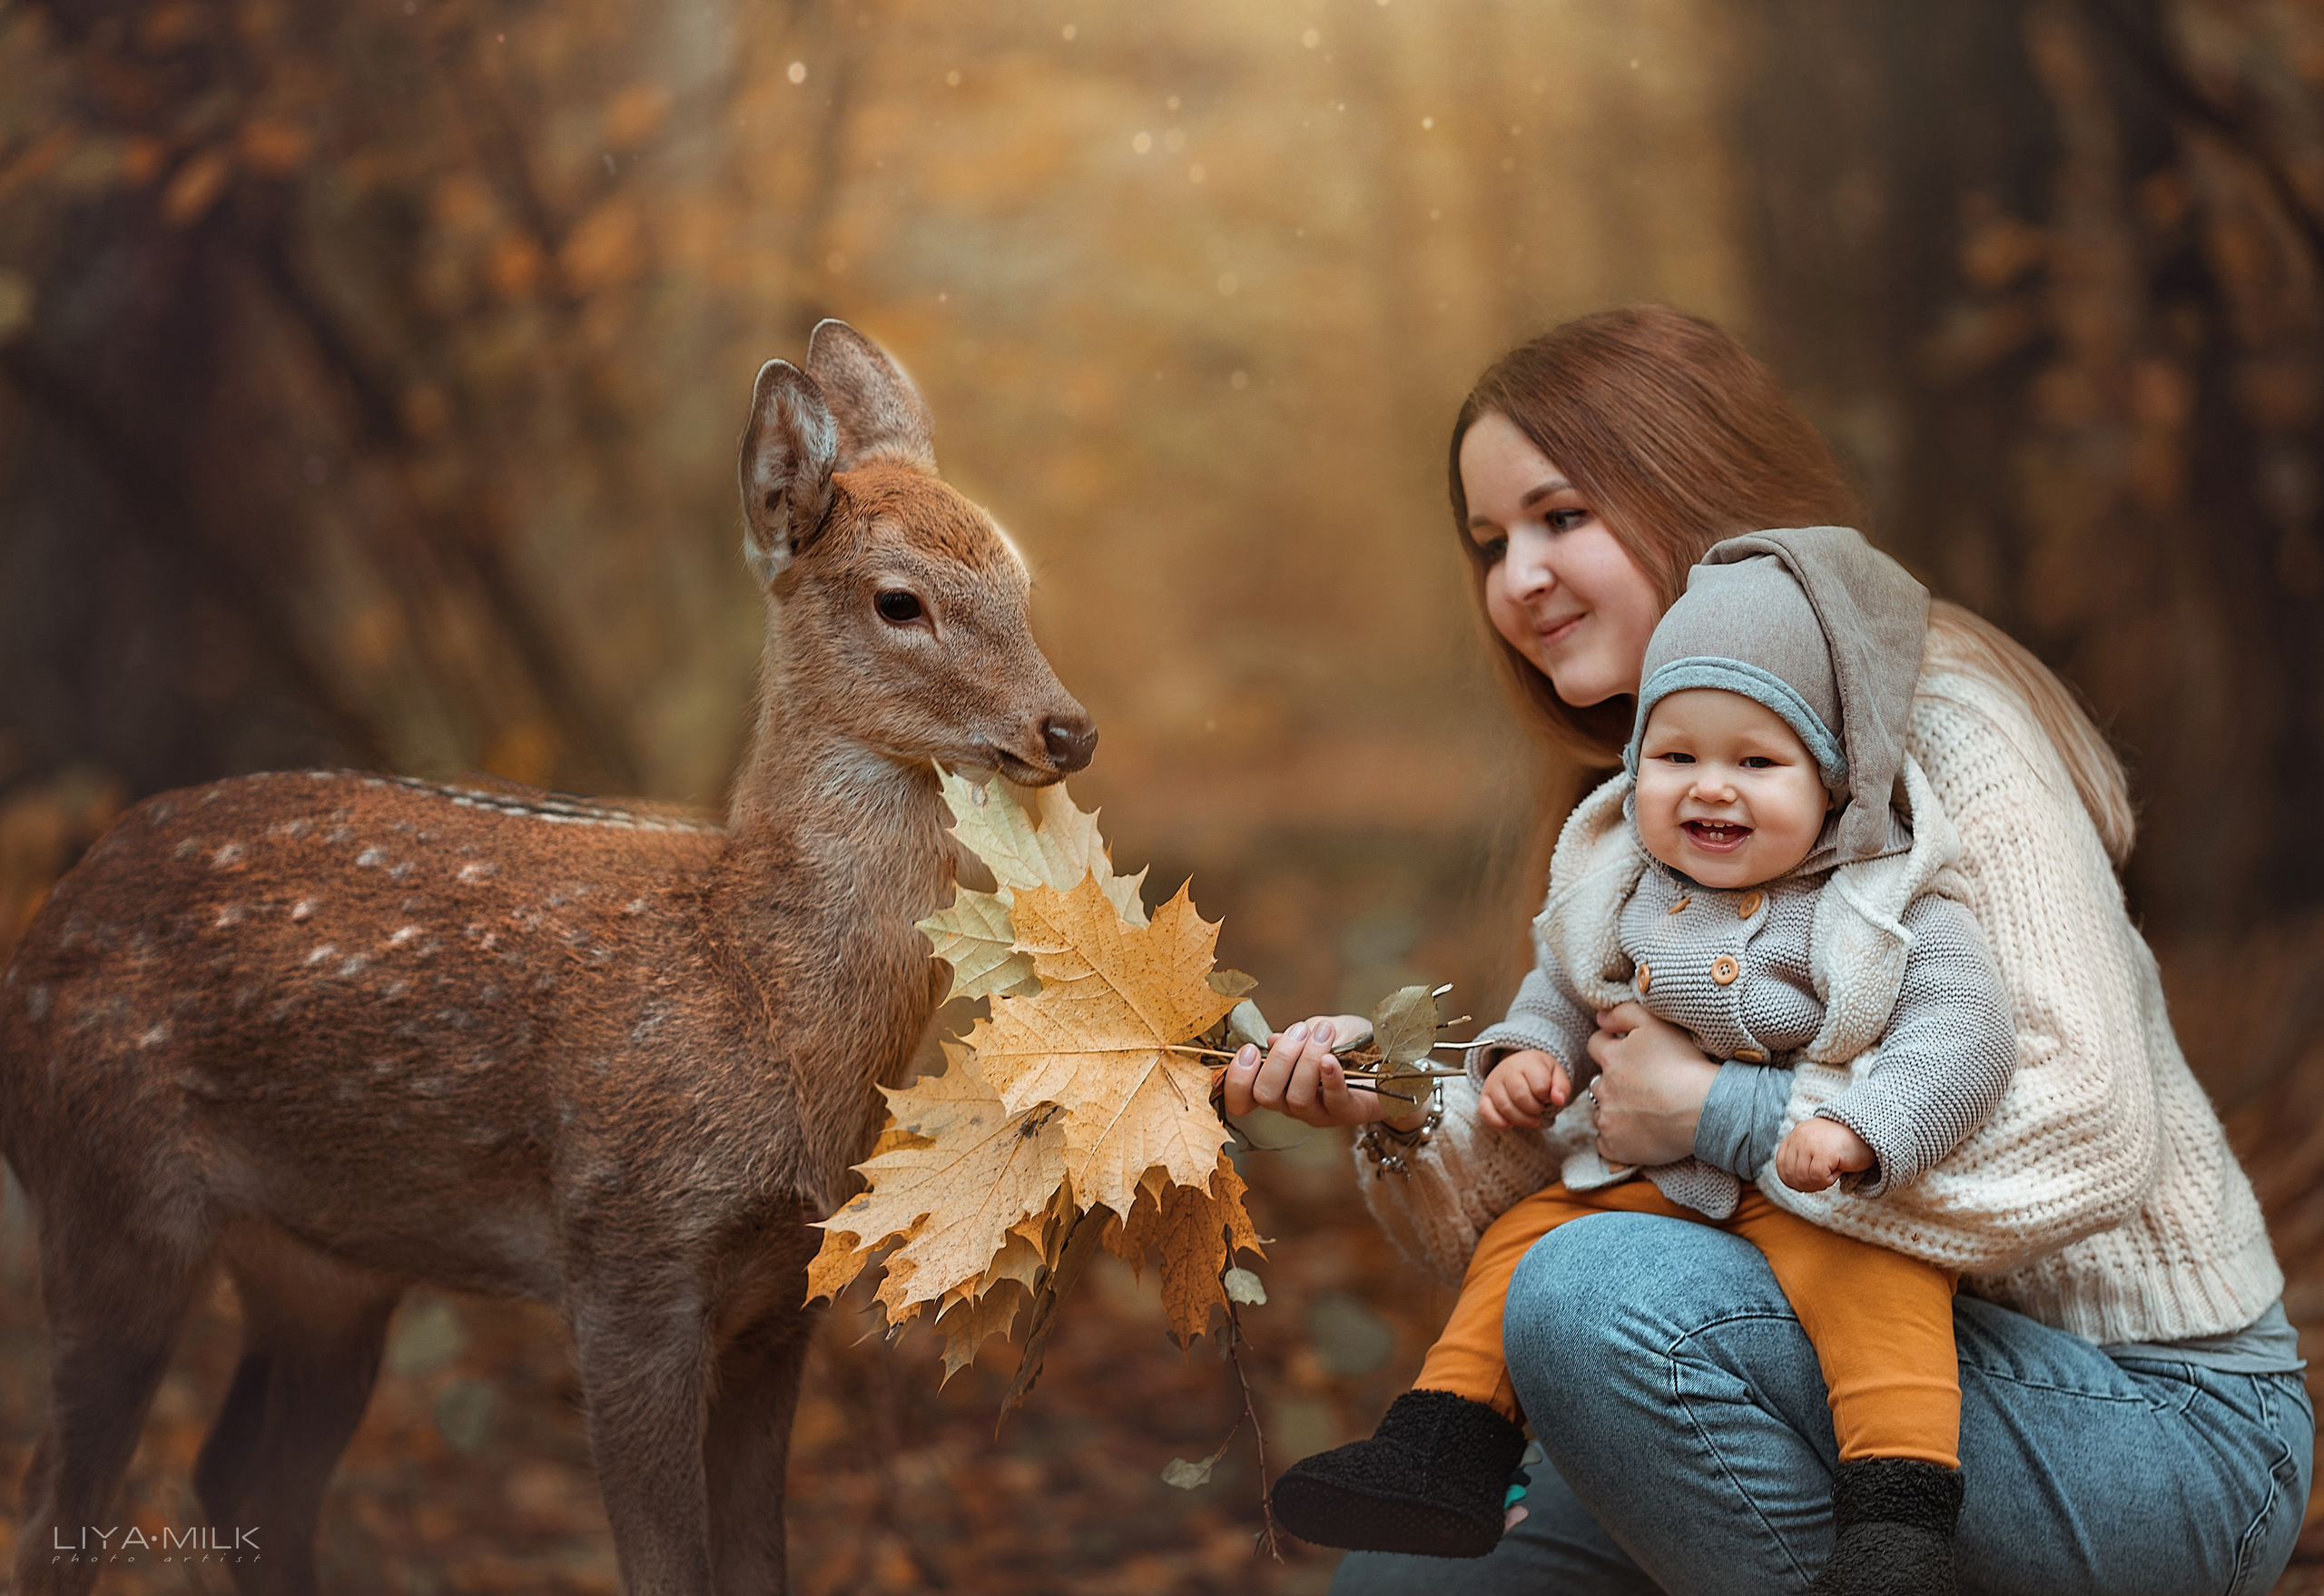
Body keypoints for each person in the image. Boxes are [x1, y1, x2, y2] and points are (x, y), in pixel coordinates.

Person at [1221, 307, 2311, 1595]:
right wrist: (1394, 1099)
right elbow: (1585, 1154)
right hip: (1806, 1359)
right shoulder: (1646, 803)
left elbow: (2089, 1128)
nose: (1517, 577)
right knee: (1405, 1586)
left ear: (1691, 485)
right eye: (1490, 541)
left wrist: (1726, 1112)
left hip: (2148, 1421)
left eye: (1561, 516)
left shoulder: (1939, 711)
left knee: (1590, 1295)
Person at [1272, 530, 2017, 1596]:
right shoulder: (1622, 887)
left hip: (1816, 1198)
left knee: (1885, 1302)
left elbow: (1964, 1036)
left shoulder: (1886, 902)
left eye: (1756, 762)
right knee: (1526, 1241)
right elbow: (1565, 985)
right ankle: (1445, 1446)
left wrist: (1865, 1130)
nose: (1710, 790)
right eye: (1677, 759)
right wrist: (1529, 1055)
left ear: (1839, 779)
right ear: (1636, 769)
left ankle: (1897, 1524)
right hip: (1652, 1194)